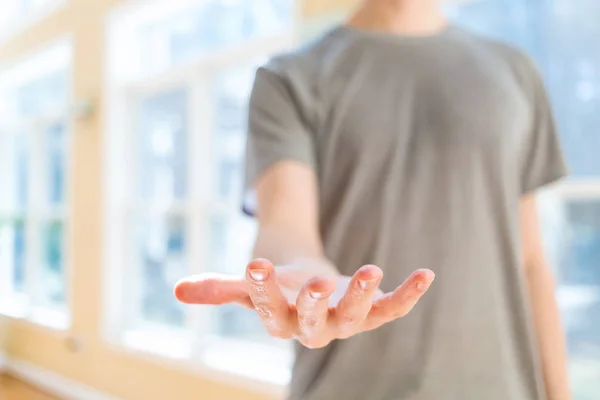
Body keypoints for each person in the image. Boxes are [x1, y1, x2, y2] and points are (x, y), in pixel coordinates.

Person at [174, 0, 572, 399]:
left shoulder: (515, 72)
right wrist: (304, 276)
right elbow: (283, 223)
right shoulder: (288, 78)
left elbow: (531, 258)